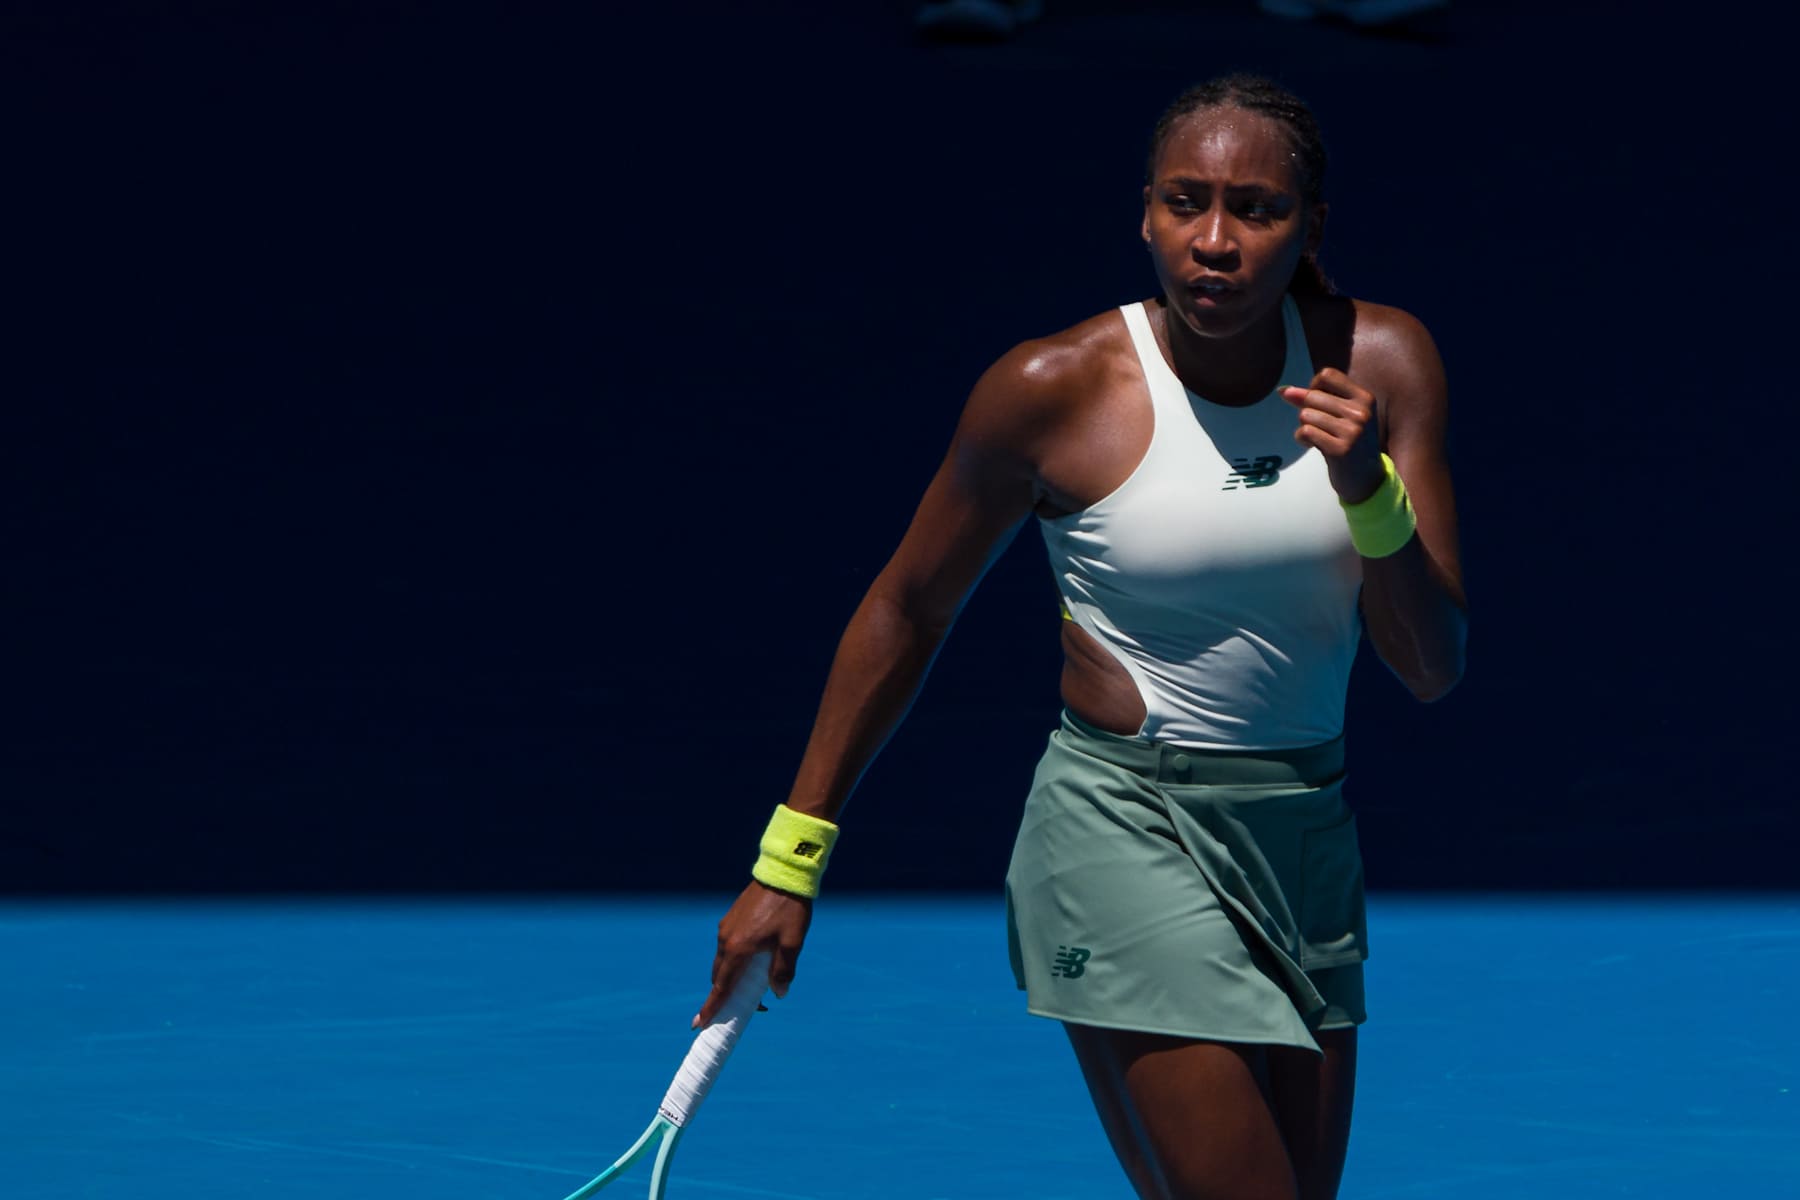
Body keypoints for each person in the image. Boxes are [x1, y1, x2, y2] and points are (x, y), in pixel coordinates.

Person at [696, 72, 1468, 1199]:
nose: (1214, 240)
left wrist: (1369, 491)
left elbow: (1431, 663)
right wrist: (789, 861)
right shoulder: (1050, 390)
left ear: (1310, 228)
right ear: (1143, 213)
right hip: (1121, 836)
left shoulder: (1385, 364)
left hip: (1304, 842)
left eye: (1255, 208)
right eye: (1183, 202)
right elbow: (907, 608)